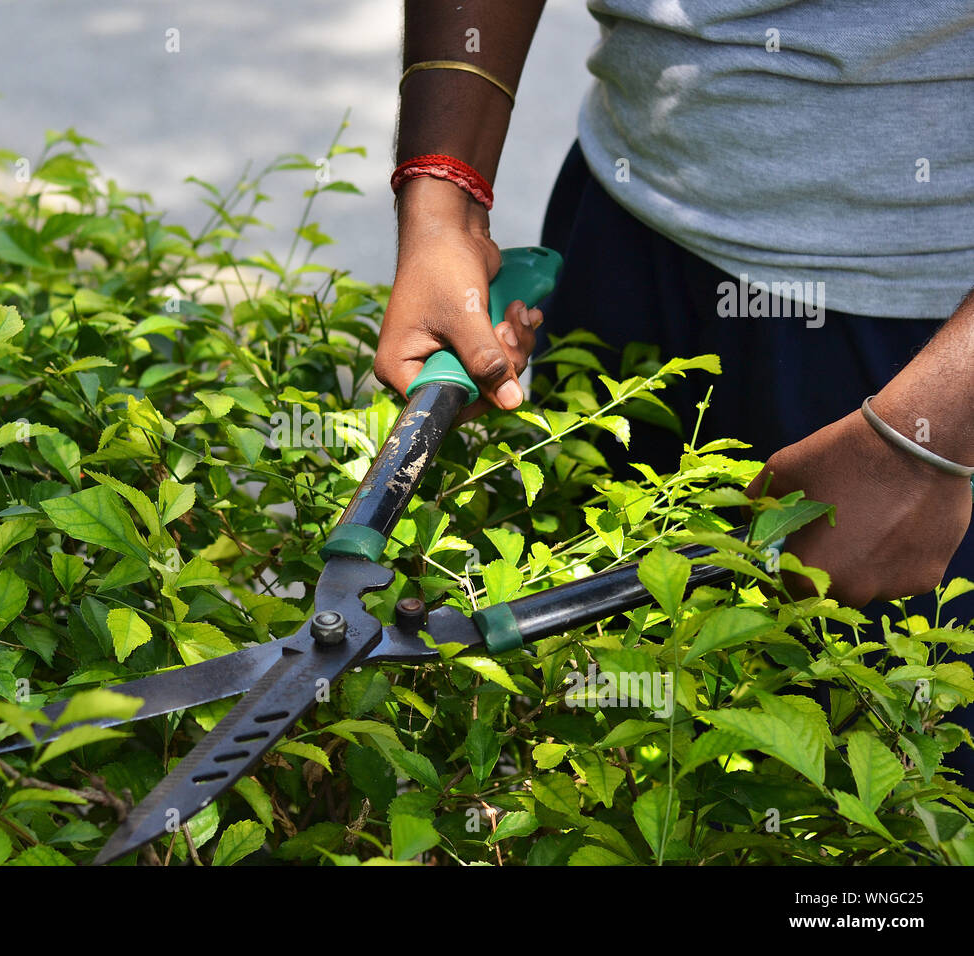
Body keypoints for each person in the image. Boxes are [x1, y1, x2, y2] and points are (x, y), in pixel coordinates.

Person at [377, 1, 974, 778]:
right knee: (612, 732)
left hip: (918, 335)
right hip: (625, 222)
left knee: (895, 787)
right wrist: (440, 199)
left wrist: (938, 422)